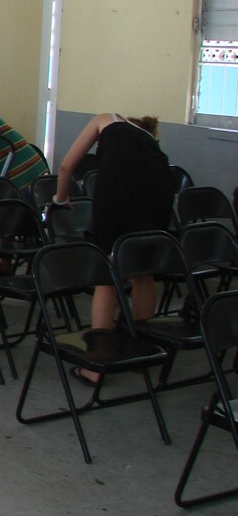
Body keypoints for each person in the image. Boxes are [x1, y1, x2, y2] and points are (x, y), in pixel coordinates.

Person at [52, 112, 174, 385]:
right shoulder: (149, 141)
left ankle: (96, 366)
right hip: (159, 196)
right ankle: (141, 352)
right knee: (143, 273)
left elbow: (66, 165)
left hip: (117, 199)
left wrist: (60, 198)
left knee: (107, 277)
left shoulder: (107, 118)